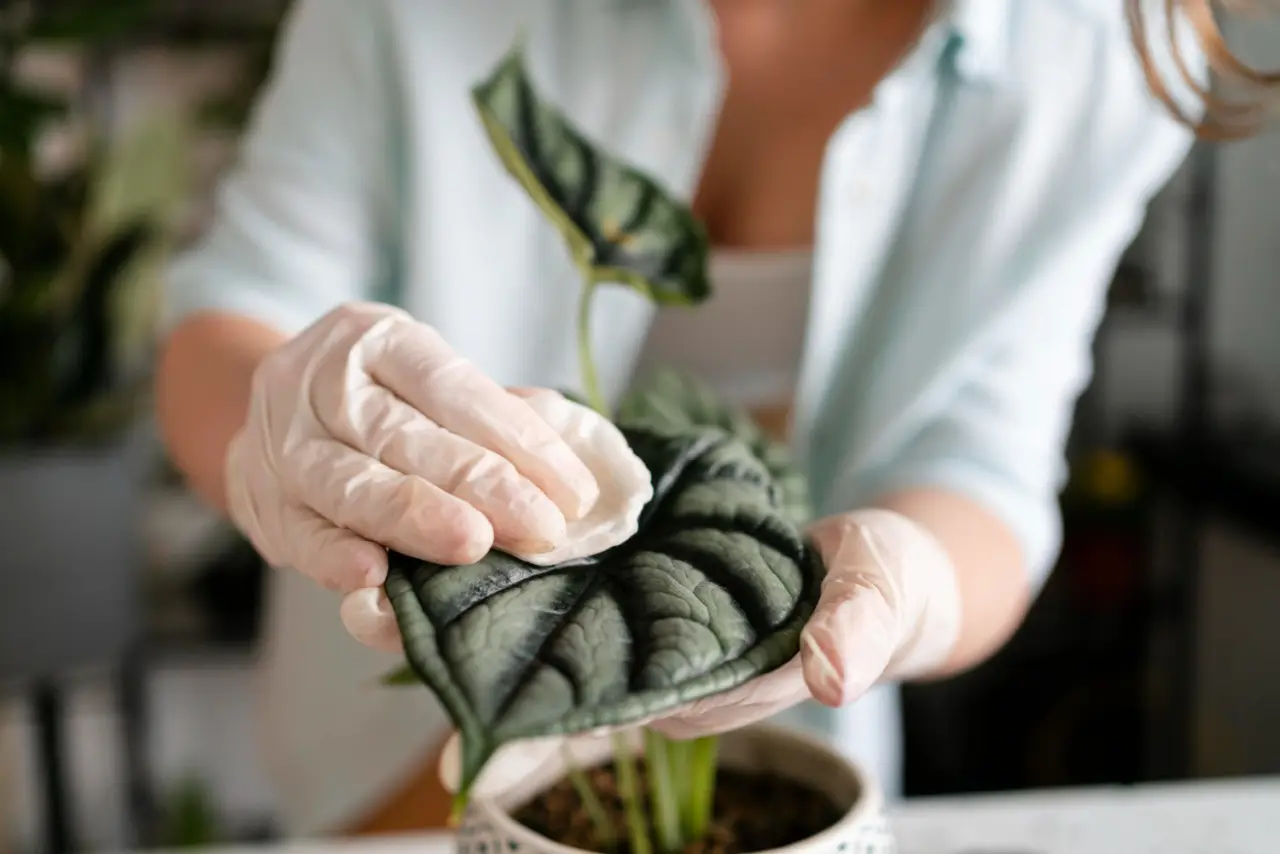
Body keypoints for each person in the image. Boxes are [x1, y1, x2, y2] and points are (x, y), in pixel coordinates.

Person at [154, 0, 1268, 839]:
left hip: (777, 762)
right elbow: (238, 308)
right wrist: (278, 424)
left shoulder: (1098, 52)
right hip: (385, 764)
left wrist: (911, 586)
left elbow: (983, 454)